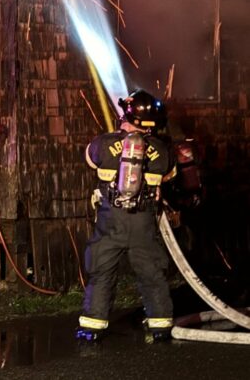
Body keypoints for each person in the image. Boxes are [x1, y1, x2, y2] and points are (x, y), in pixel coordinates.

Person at [77, 89, 177, 344]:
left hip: (110, 222)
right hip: (143, 222)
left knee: (101, 272)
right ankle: (161, 326)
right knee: (152, 274)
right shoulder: (162, 150)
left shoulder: (103, 143)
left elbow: (89, 158)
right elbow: (171, 173)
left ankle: (93, 327)